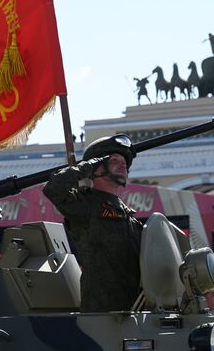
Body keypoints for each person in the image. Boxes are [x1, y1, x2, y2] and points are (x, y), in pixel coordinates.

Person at [43, 134, 144, 312]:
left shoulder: (129, 216)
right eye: (114, 160)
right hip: (102, 315)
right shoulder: (85, 205)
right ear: (97, 168)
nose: (123, 164)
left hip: (134, 311)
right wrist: (87, 166)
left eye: (124, 162)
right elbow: (53, 188)